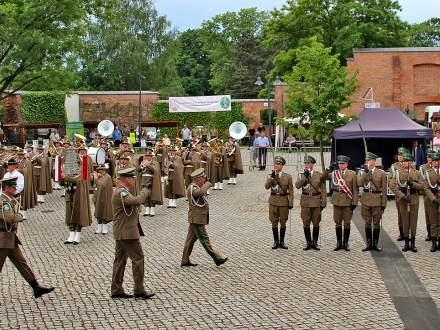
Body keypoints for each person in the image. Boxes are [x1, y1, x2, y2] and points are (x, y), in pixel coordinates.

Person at [0, 176, 54, 298]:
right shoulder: (3, 201)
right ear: (7, 188)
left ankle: (36, 287)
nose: (15, 189)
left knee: (22, 263)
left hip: (10, 238)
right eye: (13, 187)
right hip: (2, 239)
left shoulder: (10, 199)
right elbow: (8, 217)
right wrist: (19, 217)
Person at [111, 167, 154, 299]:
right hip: (127, 233)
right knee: (138, 259)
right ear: (127, 179)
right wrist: (146, 190)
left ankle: (116, 290)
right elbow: (136, 201)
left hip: (123, 231)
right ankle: (139, 290)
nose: (134, 180)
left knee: (120, 261)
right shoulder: (121, 193)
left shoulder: (122, 191)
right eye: (132, 178)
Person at [181, 168, 228, 267]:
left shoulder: (197, 186)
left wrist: (205, 184)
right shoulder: (192, 188)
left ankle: (185, 260)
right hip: (197, 219)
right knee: (205, 240)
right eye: (203, 179)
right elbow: (199, 193)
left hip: (196, 218)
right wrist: (208, 184)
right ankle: (217, 258)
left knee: (190, 241)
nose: (204, 181)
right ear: (198, 179)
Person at [389, 153, 425, 252]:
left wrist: (413, 184)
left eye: (406, 161)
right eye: (403, 161)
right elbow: (392, 186)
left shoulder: (416, 173)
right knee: (405, 221)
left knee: (413, 221)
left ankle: (413, 243)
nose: (404, 163)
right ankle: (406, 243)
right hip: (403, 199)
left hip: (413, 198)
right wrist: (402, 196)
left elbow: (422, 186)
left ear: (410, 162)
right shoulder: (397, 173)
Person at [324, 155, 358, 251]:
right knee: (338, 223)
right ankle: (339, 243)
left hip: (347, 201)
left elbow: (355, 190)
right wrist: (328, 169)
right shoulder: (335, 173)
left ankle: (345, 243)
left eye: (343, 163)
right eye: (339, 163)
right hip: (337, 201)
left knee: (347, 223)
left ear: (347, 164)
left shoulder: (352, 174)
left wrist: (354, 202)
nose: (341, 165)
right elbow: (324, 177)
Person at [357, 152, 387, 252]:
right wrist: (365, 173)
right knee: (367, 222)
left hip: (376, 199)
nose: (369, 162)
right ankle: (369, 243)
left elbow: (384, 190)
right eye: (367, 160)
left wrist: (383, 203)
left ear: (374, 161)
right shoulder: (363, 172)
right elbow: (359, 183)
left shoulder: (381, 173)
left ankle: (375, 244)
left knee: (376, 222)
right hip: (366, 199)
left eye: (370, 160)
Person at [295, 155, 326, 250]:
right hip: (305, 202)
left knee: (316, 222)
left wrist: (324, 202)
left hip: (316, 201)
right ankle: (308, 242)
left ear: (312, 164)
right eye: (305, 163)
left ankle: (315, 242)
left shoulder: (319, 175)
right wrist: (305, 177)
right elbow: (297, 186)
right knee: (306, 222)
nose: (306, 165)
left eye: (308, 163)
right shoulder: (301, 175)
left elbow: (323, 189)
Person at [61, 149, 92, 245]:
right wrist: (61, 178)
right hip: (69, 194)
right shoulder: (67, 169)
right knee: (69, 214)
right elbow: (63, 182)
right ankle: (71, 234)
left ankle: (77, 234)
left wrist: (66, 177)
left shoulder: (83, 168)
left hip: (79, 195)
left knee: (78, 214)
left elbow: (80, 181)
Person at [265, 156, 293, 249]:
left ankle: (282, 241)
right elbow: (266, 187)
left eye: (278, 164)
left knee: (283, 222)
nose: (276, 165)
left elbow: (291, 191)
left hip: (283, 201)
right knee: (274, 221)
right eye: (275, 164)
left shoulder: (288, 177)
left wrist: (291, 203)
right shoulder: (270, 175)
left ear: (282, 165)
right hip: (273, 201)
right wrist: (271, 178)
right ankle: (276, 241)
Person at [422, 153, 440, 252]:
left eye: (437, 161)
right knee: (433, 221)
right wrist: (433, 198)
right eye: (434, 161)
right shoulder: (428, 173)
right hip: (432, 199)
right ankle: (433, 243)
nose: (435, 163)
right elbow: (425, 187)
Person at [390, 147, 408, 241]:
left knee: (409, 214)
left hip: (409, 193)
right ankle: (401, 233)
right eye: (399, 155)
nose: (400, 157)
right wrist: (398, 192)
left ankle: (408, 233)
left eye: (402, 155)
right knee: (400, 214)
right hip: (399, 193)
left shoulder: (410, 165)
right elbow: (391, 180)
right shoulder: (394, 166)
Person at [93, 165, 113, 235]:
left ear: (105, 170)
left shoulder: (108, 177)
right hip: (97, 197)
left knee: (104, 212)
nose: (100, 171)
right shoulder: (98, 177)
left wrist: (96, 179)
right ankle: (99, 228)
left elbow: (103, 186)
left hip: (105, 197)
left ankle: (105, 228)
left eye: (102, 169)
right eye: (99, 169)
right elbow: (94, 186)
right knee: (98, 211)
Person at [420, 150, 435, 241]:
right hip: (427, 194)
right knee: (428, 214)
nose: (430, 159)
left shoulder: (437, 166)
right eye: (428, 157)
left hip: (437, 193)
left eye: (431, 157)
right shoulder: (423, 167)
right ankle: (429, 233)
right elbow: (422, 181)